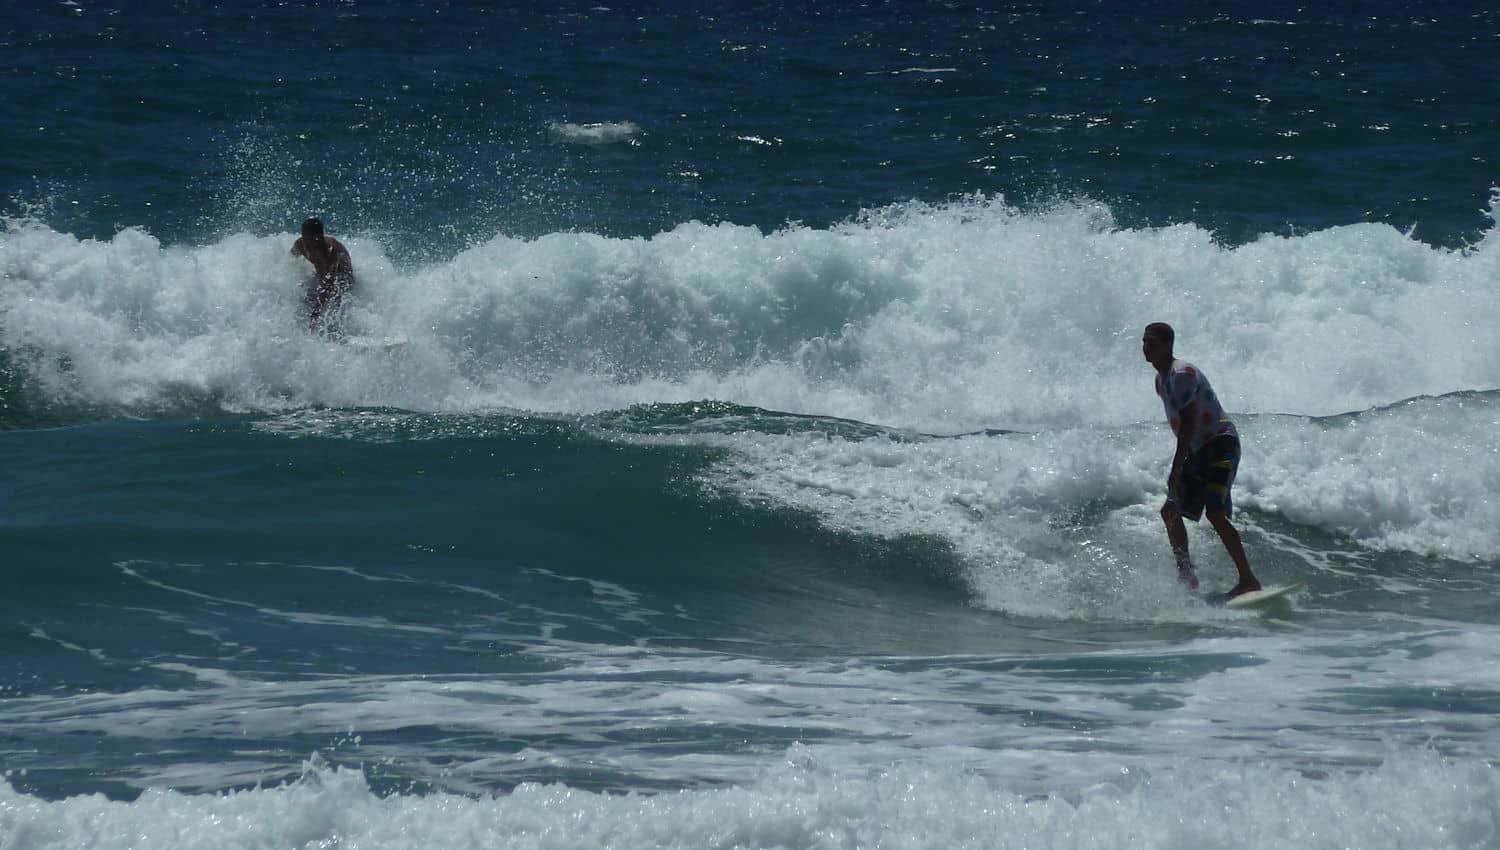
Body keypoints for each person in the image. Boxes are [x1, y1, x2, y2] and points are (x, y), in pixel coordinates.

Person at [1142, 322, 1261, 599]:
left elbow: (1189, 424)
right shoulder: (1161, 380)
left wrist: (1176, 468)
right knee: (1170, 511)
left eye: (1151, 342)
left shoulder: (1182, 374)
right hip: (1200, 451)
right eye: (1144, 342)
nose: (1145, 348)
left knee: (1215, 513)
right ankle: (1187, 576)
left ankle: (1248, 579)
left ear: (1167, 345)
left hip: (1221, 444)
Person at [290, 217, 355, 336]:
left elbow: (329, 284)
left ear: (320, 237)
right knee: (307, 297)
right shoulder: (300, 244)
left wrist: (315, 314)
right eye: (305, 238)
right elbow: (289, 261)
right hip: (323, 274)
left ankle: (339, 331)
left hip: (343, 276)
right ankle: (305, 328)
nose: (308, 244)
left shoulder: (330, 250)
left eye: (313, 239)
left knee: (334, 299)